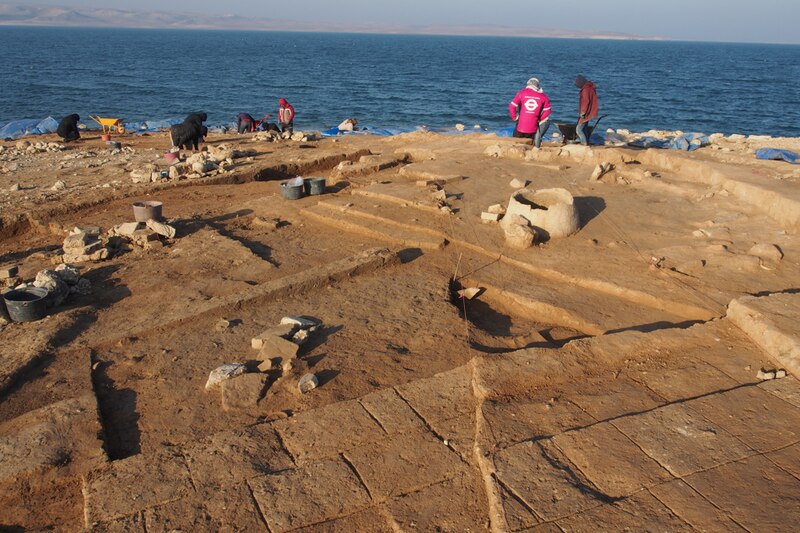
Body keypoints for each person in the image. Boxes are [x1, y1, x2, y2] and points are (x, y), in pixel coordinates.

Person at [509, 78, 551, 148]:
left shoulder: (521, 93)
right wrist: (539, 119)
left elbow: (512, 106)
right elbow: (548, 111)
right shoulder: (543, 96)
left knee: (516, 141)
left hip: (520, 128)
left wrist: (514, 117)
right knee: (545, 124)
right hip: (533, 129)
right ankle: (536, 146)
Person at [574, 75, 598, 145]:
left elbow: (586, 101)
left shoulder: (585, 90)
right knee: (584, 129)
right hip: (590, 111)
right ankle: (587, 142)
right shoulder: (589, 88)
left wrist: (583, 112)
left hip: (586, 112)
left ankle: (584, 144)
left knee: (578, 129)